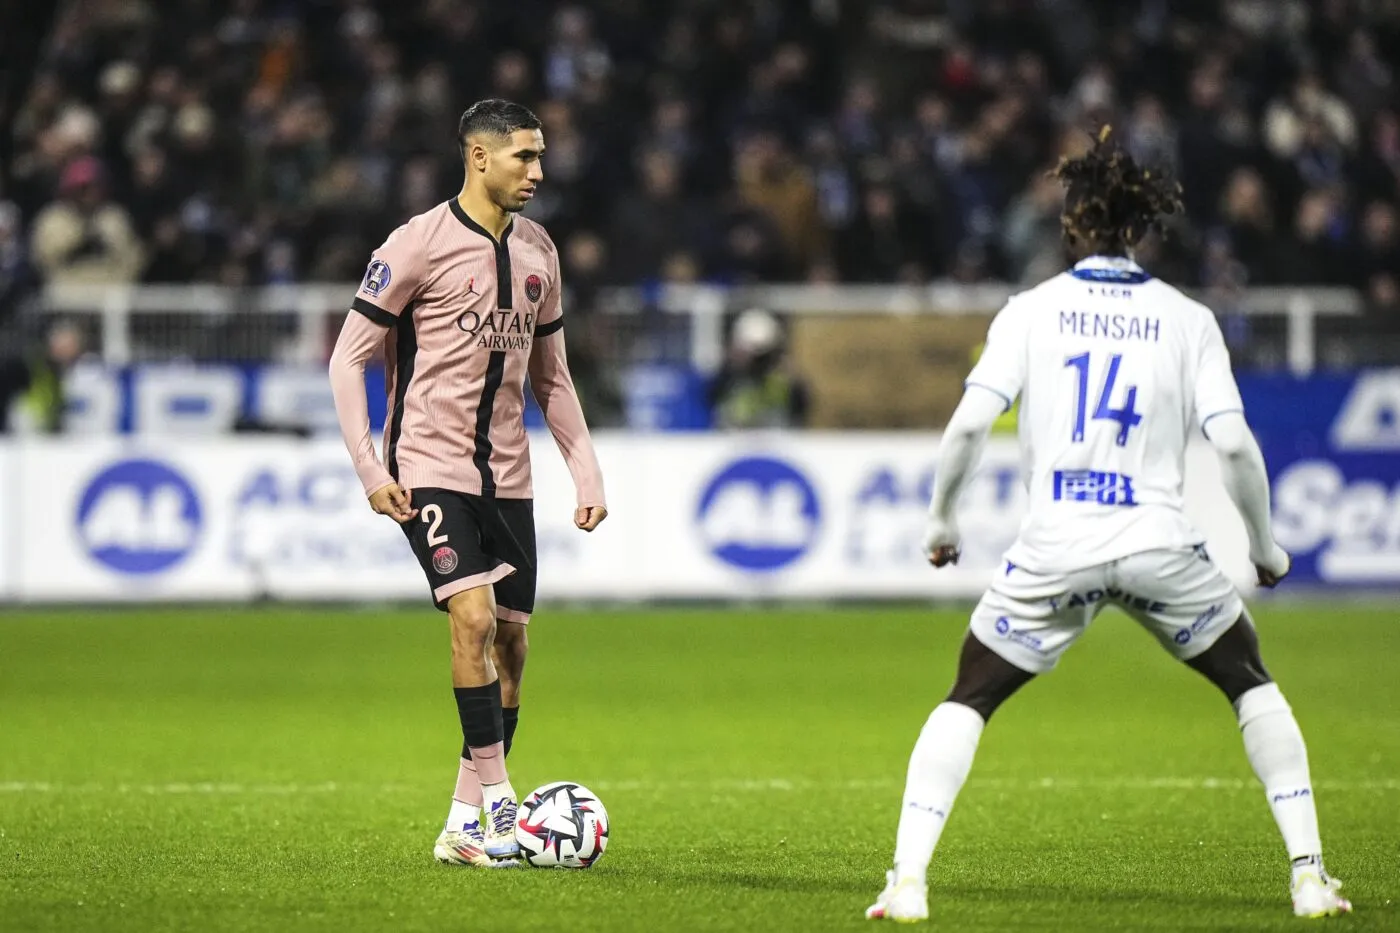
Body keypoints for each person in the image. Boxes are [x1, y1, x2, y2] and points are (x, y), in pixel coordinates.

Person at [865, 128, 1351, 923]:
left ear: (1068, 227)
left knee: (969, 696)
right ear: (1139, 229)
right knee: (1249, 682)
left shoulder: (1030, 311)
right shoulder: (1186, 318)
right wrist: (1263, 547)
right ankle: (1309, 877)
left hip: (1056, 546)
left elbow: (965, 428)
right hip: (1161, 543)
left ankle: (907, 882)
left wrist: (940, 521)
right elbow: (1231, 440)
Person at [328, 99, 607, 868]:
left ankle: (461, 821)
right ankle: (505, 804)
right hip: (430, 464)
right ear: (478, 157)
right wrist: (370, 467)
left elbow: (552, 376)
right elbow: (348, 359)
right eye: (524, 156)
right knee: (474, 621)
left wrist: (584, 466)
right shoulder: (414, 244)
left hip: (509, 475)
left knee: (513, 647)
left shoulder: (541, 252)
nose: (539, 172)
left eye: (542, 155)